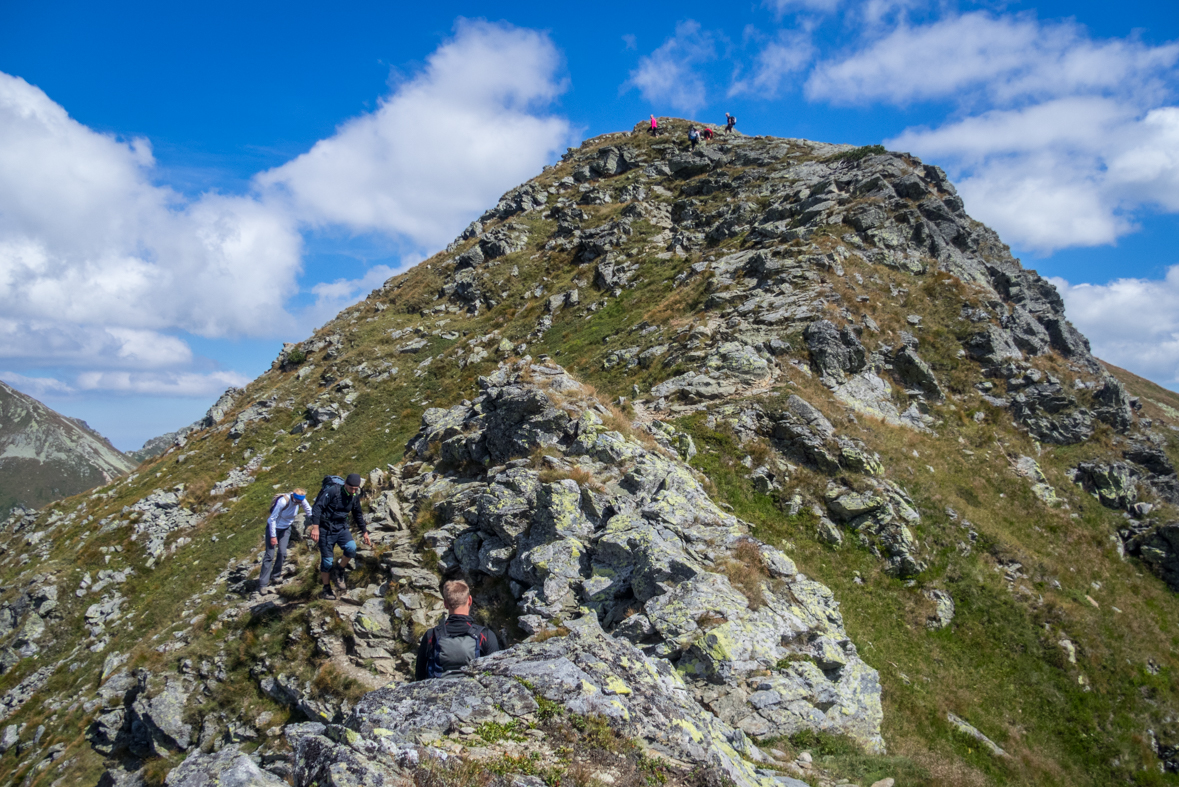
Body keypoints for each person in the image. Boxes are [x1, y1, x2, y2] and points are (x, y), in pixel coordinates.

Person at [415, 579, 500, 679]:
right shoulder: (485, 635)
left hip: (438, 692)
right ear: (470, 600)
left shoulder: (431, 635)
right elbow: (495, 674)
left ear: (445, 604)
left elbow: (419, 675)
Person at [308, 473, 371, 600]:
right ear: (345, 484)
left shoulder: (354, 497)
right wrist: (315, 528)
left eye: (356, 489)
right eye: (351, 488)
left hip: (341, 528)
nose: (353, 491)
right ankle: (326, 589)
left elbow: (358, 514)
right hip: (325, 529)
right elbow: (318, 508)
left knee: (351, 548)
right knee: (327, 561)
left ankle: (339, 569)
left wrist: (364, 532)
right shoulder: (333, 491)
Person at [257, 487, 311, 596]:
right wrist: (273, 536)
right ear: (293, 497)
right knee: (269, 555)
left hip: (286, 528)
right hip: (274, 528)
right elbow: (272, 519)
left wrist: (316, 523)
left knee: (282, 552)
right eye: (297, 502)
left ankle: (275, 576)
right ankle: (263, 584)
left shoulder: (301, 500)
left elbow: (309, 511)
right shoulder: (283, 501)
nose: (299, 504)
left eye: (300, 502)